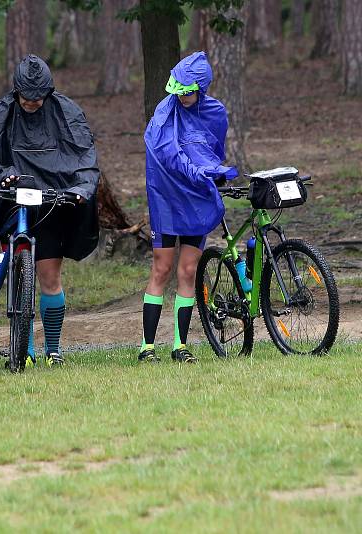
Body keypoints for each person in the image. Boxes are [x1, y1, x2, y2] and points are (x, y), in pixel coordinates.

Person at [0, 54, 100, 367]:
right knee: (20, 273)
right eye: (26, 98)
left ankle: (53, 350)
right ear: (16, 91)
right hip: (14, 201)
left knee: (48, 276)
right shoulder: (1, 113)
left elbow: (84, 156)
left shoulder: (67, 112)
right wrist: (2, 174)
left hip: (52, 202)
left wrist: (81, 190)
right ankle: (25, 351)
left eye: (38, 98)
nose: (32, 103)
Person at [140, 51, 238, 364]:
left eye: (188, 93)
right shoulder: (164, 113)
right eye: (179, 93)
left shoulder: (214, 112)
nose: (182, 98)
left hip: (196, 199)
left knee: (188, 270)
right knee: (162, 267)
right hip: (167, 197)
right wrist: (197, 171)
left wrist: (213, 171)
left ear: (200, 89)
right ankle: (147, 347)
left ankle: (180, 346)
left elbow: (213, 149)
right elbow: (168, 152)